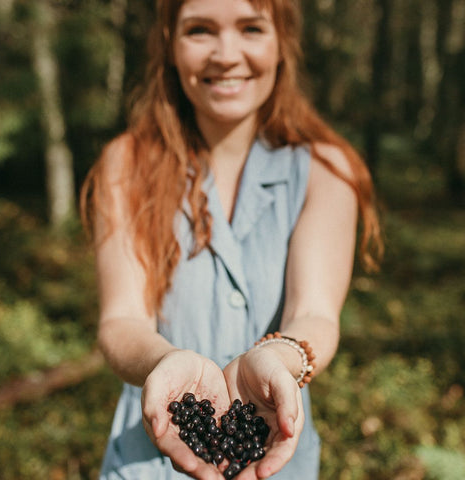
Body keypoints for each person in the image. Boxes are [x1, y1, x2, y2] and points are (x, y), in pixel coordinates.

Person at [81, 0, 383, 478]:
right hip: (147, 462)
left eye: (250, 28)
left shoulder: (327, 171)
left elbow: (316, 313)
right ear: (170, 45)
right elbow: (121, 321)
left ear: (282, 42)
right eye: (200, 30)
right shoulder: (127, 163)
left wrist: (279, 357)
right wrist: (168, 361)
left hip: (275, 456)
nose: (226, 54)